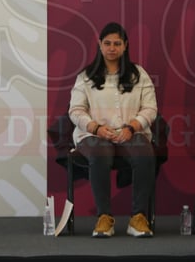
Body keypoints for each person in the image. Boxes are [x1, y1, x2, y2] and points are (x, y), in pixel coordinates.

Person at [68, 22, 158, 238]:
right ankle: (104, 217)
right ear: (100, 45)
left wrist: (132, 127)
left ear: (125, 46)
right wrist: (96, 128)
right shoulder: (86, 76)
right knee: (100, 152)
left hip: (131, 132)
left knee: (145, 153)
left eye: (117, 43)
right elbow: (76, 110)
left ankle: (138, 217)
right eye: (107, 43)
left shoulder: (139, 74)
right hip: (94, 135)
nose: (112, 48)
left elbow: (150, 108)